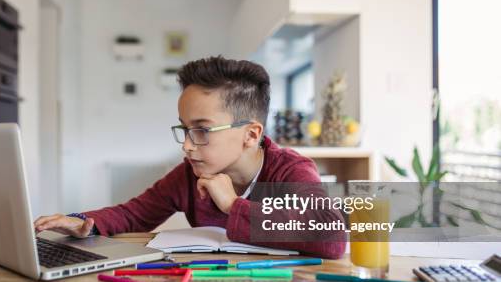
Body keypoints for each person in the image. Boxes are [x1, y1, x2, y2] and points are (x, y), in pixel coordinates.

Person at [34, 56, 346, 259]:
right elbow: (134, 214)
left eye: (201, 130)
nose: (186, 146)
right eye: (184, 129)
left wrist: (231, 205)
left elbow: (331, 238)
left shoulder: (289, 171)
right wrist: (79, 222)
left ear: (251, 135)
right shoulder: (189, 174)